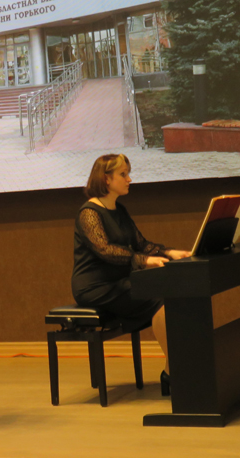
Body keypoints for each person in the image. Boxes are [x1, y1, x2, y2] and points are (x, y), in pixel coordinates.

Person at [72, 154, 191, 394]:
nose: (129, 179)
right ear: (106, 179)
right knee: (160, 297)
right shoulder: (89, 213)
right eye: (123, 174)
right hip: (95, 287)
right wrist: (143, 260)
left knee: (170, 294)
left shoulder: (119, 210)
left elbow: (141, 244)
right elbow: (106, 251)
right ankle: (176, 372)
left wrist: (169, 252)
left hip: (119, 282)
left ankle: (173, 370)